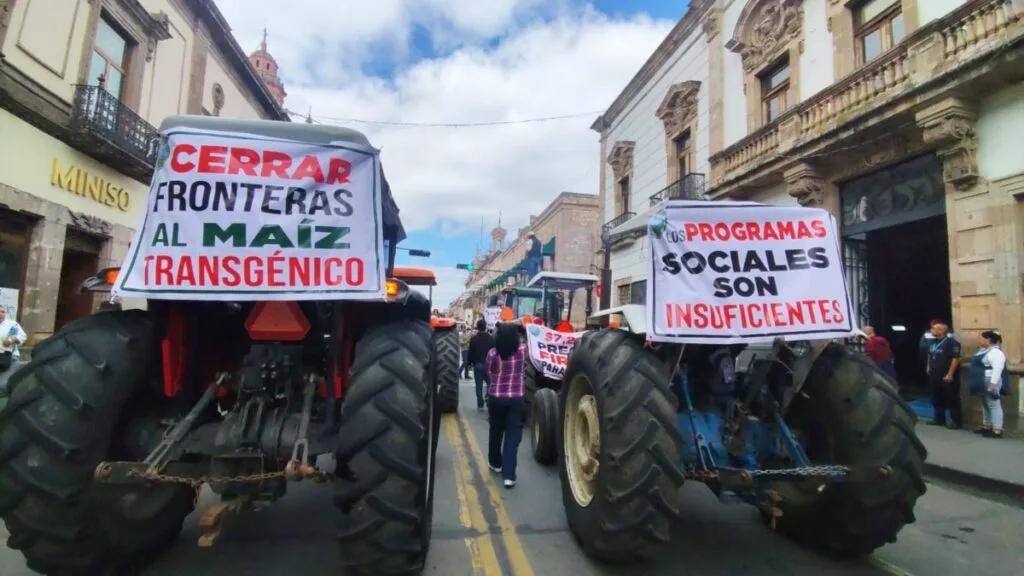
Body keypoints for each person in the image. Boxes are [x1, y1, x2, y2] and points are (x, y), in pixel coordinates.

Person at [485, 322, 526, 488]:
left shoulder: (492, 354)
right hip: (516, 399)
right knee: (512, 438)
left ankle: (495, 463)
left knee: (495, 432)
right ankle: (509, 476)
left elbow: (489, 373)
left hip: (496, 398)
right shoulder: (523, 351)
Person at [968, 330, 1008, 438]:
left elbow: (997, 369)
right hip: (981, 380)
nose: (979, 340)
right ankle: (987, 426)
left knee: (994, 405)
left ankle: (997, 430)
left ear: (988, 340)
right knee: (985, 404)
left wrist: (992, 384)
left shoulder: (996, 352)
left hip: (989, 380)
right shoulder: (984, 351)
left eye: (981, 338)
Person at [926, 322, 962, 429]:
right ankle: (939, 418)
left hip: (946, 374)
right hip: (934, 373)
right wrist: (928, 367)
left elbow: (956, 358)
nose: (931, 330)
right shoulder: (932, 342)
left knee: (951, 397)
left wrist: (950, 374)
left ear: (941, 331)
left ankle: (955, 421)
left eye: (934, 328)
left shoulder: (952, 343)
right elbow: (930, 354)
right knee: (936, 396)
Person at [0, 304, 28, 395]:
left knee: (3, 384)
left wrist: (11, 340)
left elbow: (23, 336)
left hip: (10, 358)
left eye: (3, 312)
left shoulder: (12, 324)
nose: (1, 314)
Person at [468, 320, 495, 411]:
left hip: (478, 365)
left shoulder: (473, 339)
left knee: (478, 385)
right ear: (485, 327)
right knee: (490, 383)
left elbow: (470, 352)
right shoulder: (491, 339)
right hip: (489, 365)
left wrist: (469, 363)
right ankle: (488, 396)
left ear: (477, 327)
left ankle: (480, 404)